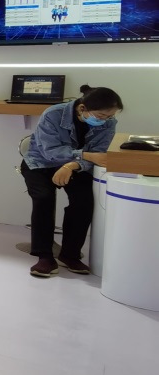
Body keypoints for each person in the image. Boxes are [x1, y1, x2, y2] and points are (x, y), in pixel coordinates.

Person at [21, 83, 123, 278]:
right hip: (40, 162)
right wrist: (86, 155)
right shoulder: (53, 114)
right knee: (43, 198)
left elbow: (100, 154)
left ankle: (70, 254)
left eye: (110, 116)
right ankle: (44, 256)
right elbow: (50, 152)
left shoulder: (108, 123)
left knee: (84, 201)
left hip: (76, 166)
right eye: (101, 116)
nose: (105, 120)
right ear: (82, 108)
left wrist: (72, 165)